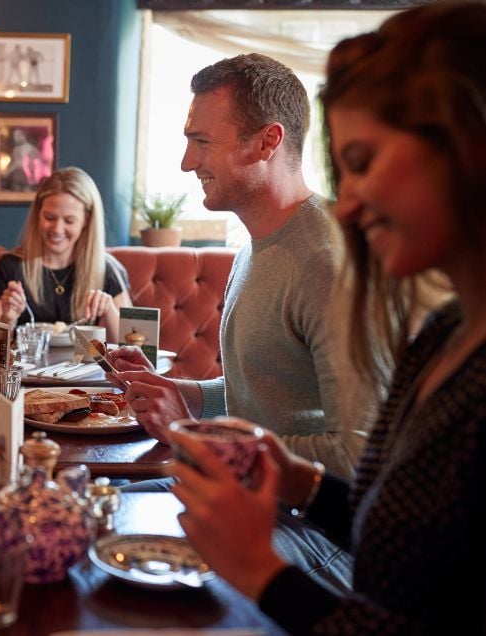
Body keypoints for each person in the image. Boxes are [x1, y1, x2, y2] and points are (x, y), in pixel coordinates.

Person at [170, 3, 486, 632]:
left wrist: (261, 573)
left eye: (364, 161)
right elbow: (391, 514)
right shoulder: (446, 336)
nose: (345, 207)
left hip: (314, 557)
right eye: (345, 167)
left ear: (466, 151)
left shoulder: (329, 265)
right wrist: (295, 480)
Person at [110, 53, 374, 479]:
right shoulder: (253, 246)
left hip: (312, 528)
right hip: (245, 495)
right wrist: (178, 395)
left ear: (268, 141)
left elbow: (358, 452)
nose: (186, 161)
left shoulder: (326, 264)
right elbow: (259, 399)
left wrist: (197, 434)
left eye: (203, 142)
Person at [0, 167, 130, 341]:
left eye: (69, 220)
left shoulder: (107, 269)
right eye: (49, 217)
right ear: (38, 214)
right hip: (26, 368)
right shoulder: (11, 266)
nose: (57, 229)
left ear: (87, 220)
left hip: (85, 367)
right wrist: (8, 319)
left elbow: (128, 348)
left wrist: (108, 309)